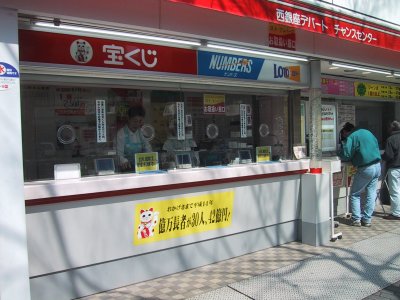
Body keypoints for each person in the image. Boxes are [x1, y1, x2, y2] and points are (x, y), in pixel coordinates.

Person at [339, 122, 381, 227]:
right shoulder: (367, 132)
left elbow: (346, 155)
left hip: (366, 168)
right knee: (371, 193)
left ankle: (356, 219)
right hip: (377, 166)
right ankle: (367, 219)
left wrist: (340, 151)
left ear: (345, 131)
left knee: (355, 194)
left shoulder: (352, 137)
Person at [116, 106, 152, 171]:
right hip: (125, 169)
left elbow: (148, 148)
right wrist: (124, 161)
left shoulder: (142, 133)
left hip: (141, 168)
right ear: (128, 119)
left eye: (140, 121)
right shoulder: (121, 134)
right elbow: (118, 154)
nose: (137, 124)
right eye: (135, 121)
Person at [382, 120, 400, 220]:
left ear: (392, 128)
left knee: (395, 191)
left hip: (395, 168)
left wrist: (383, 158)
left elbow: (388, 155)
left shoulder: (391, 139)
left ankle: (396, 213)